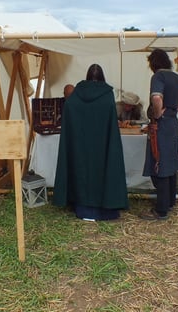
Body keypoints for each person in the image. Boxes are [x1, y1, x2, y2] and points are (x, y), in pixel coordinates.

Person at [53, 64, 129, 220]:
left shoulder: (76, 94)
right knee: (103, 171)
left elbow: (69, 107)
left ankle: (82, 207)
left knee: (81, 171)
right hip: (102, 146)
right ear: (102, 77)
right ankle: (105, 206)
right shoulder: (107, 95)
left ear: (87, 77)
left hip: (80, 145)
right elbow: (111, 118)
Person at [141, 48, 178, 221]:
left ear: (153, 63)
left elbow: (156, 98)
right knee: (169, 164)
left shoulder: (158, 76)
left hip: (161, 126)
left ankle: (161, 210)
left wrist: (158, 114)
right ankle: (169, 202)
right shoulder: (175, 77)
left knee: (159, 164)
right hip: (172, 125)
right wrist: (173, 110)